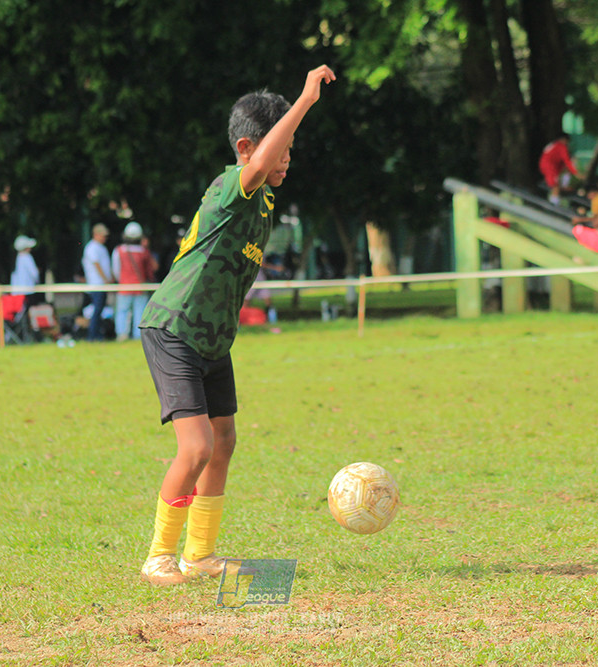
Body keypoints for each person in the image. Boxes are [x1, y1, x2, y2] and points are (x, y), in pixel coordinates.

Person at [136, 65, 336, 586]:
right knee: (197, 447)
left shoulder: (265, 200)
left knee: (223, 443)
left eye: (291, 148)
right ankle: (159, 555)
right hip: (175, 328)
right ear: (247, 148)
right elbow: (262, 160)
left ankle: (199, 556)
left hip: (212, 339)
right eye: (279, 146)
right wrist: (305, 100)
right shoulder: (233, 185)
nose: (287, 158)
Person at [111, 221, 158, 341]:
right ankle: (138, 337)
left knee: (122, 312)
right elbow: (150, 270)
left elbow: (116, 270)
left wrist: (120, 280)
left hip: (124, 287)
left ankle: (121, 335)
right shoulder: (144, 251)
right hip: (140, 287)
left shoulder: (119, 250)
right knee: (140, 312)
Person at [81, 223, 113, 341]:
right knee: (97, 310)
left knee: (100, 310)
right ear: (95, 234)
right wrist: (105, 279)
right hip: (96, 284)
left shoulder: (101, 247)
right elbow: (97, 265)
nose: (104, 238)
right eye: (102, 235)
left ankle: (97, 334)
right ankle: (93, 335)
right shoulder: (92, 247)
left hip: (102, 284)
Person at [539, 133, 584, 204]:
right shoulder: (561, 147)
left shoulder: (554, 145)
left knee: (557, 183)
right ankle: (554, 203)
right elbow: (567, 160)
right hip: (550, 167)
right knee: (555, 185)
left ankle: (558, 194)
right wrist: (576, 173)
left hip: (547, 165)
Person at [10, 235, 42, 304]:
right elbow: (34, 273)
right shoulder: (27, 257)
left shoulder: (17, 257)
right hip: (28, 290)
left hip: (18, 291)